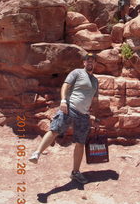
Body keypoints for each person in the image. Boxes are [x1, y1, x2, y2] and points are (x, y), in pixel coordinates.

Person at [29, 53, 100, 184]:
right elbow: (65, 86)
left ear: (95, 64)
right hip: (69, 108)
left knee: (80, 143)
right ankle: (37, 153)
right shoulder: (77, 73)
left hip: (84, 115)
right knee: (55, 130)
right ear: (84, 62)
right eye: (88, 60)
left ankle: (76, 172)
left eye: (93, 61)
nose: (90, 62)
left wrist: (94, 115)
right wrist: (63, 101)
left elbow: (94, 100)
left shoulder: (95, 81)